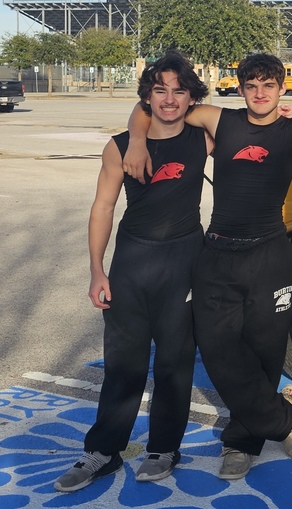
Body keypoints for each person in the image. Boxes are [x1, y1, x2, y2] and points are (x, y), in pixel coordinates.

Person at [121, 53, 292, 480]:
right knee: (217, 348)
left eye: (268, 86)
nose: (260, 94)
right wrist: (138, 140)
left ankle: (240, 443)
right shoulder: (220, 120)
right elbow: (151, 107)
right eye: (251, 86)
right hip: (218, 253)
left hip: (270, 254)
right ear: (240, 89)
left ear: (282, 89)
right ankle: (277, 417)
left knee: (263, 352)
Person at [55, 51, 211, 492]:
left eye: (179, 91)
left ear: (191, 97)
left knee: (175, 364)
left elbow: (261, 129)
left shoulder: (204, 138)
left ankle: (163, 447)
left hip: (183, 263)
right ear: (146, 94)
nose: (169, 99)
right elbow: (102, 208)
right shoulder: (120, 146)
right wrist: (96, 270)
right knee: (123, 364)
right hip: (131, 263)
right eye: (160, 89)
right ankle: (102, 451)